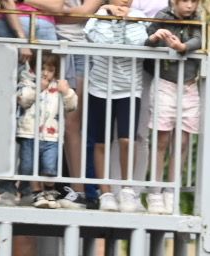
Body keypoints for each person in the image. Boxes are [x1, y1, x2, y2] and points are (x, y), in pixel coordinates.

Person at [86, 0, 149, 213]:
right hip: (100, 87)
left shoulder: (139, 17)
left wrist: (129, 18)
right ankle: (105, 193)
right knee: (101, 143)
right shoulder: (98, 16)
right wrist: (104, 13)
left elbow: (138, 42)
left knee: (126, 140)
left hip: (129, 88)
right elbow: (95, 38)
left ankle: (127, 190)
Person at [144, 0, 202, 214]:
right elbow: (147, 41)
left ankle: (172, 192)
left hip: (189, 85)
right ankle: (155, 192)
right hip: (166, 83)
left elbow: (199, 39)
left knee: (183, 140)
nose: (190, 6)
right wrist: (156, 37)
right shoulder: (163, 16)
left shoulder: (197, 19)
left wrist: (183, 47)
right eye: (185, 1)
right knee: (162, 138)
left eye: (194, 2)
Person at [10, 52, 77, 210]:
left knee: (50, 167)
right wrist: (37, 89)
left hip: (51, 135)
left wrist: (67, 92)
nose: (46, 73)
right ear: (34, 68)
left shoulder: (59, 86)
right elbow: (24, 100)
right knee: (28, 166)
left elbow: (72, 105)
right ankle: (36, 192)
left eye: (50, 70)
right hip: (29, 133)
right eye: (42, 68)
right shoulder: (28, 82)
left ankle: (49, 191)